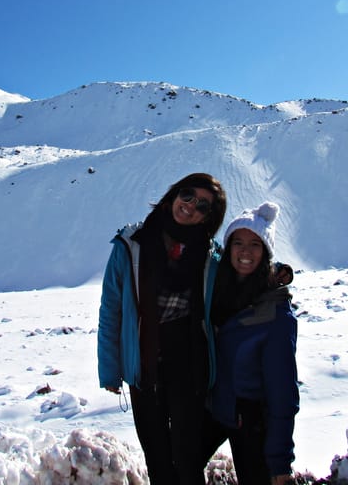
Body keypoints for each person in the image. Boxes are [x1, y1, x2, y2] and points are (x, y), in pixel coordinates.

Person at [97, 173, 227, 485]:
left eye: (203, 206)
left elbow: (242, 282)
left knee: (187, 460)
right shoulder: (132, 244)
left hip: (190, 364)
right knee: (157, 461)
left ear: (210, 217)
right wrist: (110, 370)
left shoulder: (211, 256)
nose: (191, 206)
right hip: (145, 366)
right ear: (172, 196)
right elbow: (111, 310)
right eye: (187, 195)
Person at [205, 202, 299, 485]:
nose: (245, 252)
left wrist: (280, 460)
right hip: (214, 408)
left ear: (266, 252)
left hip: (252, 421)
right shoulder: (216, 290)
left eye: (255, 244)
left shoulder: (276, 315)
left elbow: (283, 392)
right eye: (239, 242)